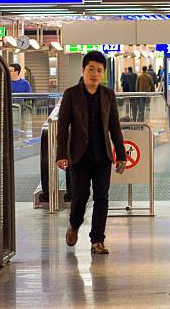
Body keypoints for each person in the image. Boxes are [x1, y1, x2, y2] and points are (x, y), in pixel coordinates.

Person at [56, 51, 126, 255]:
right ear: (83, 70)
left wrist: (120, 154)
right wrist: (61, 154)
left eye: (99, 70)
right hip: (78, 155)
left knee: (102, 197)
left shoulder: (108, 95)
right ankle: (74, 225)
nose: (95, 74)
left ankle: (97, 240)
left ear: (103, 73)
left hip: (102, 155)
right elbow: (62, 127)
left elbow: (115, 127)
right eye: (91, 69)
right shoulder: (71, 94)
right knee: (80, 197)